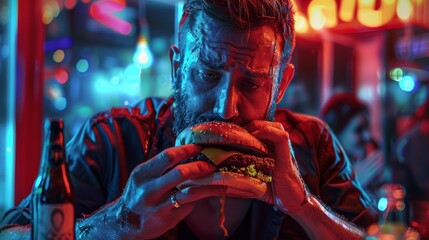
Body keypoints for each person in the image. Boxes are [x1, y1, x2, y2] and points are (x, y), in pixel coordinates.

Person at [0, 0, 377, 239]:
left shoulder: (314, 144)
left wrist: (304, 208)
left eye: (251, 83)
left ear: (280, 87)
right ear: (177, 67)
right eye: (208, 75)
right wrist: (117, 222)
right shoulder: (112, 139)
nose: (225, 108)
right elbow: (12, 233)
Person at [320, 93, 387, 200]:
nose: (367, 136)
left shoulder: (364, 159)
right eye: (359, 129)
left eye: (367, 128)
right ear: (336, 134)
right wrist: (351, 186)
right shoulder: (320, 174)